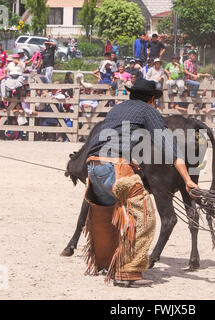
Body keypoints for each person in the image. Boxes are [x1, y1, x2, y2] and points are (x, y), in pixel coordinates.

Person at [84, 78, 198, 287]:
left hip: (93, 166)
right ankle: (126, 273)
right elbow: (169, 147)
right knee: (144, 217)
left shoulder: (116, 110)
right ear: (152, 99)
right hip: (114, 167)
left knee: (104, 215)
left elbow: (110, 138)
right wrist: (188, 179)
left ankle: (103, 261)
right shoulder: (149, 112)